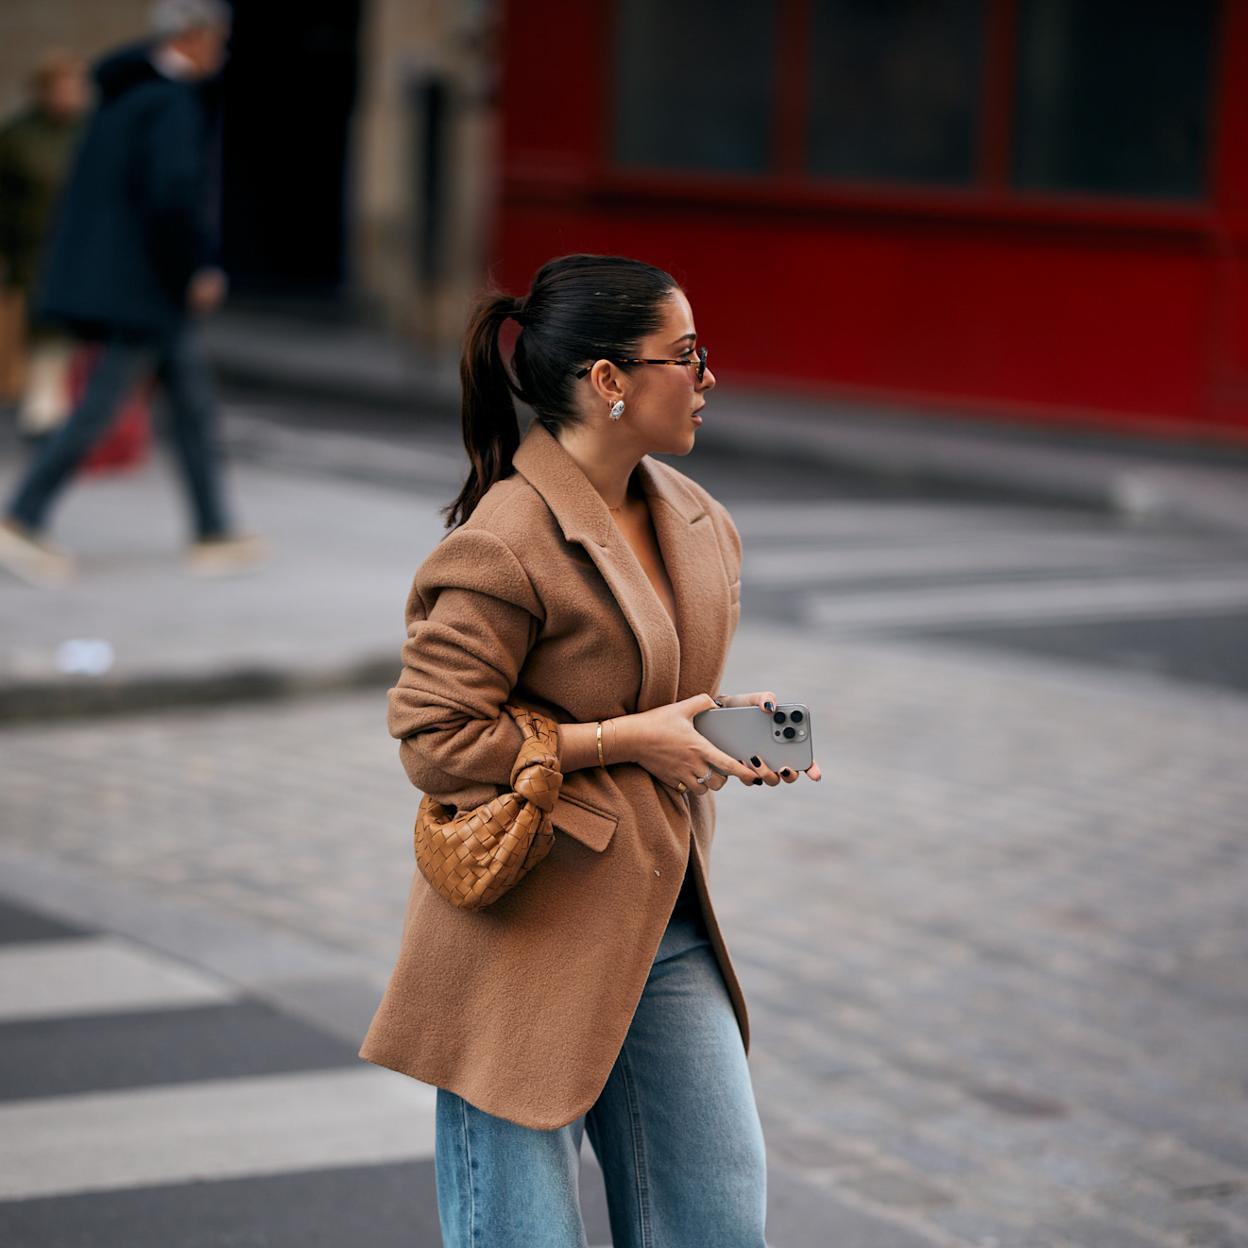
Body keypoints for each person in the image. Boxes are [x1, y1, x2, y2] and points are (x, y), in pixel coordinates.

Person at [359, 253, 823, 1247]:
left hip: (666, 917)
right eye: (686, 356)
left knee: (715, 1220)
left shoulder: (702, 522)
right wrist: (625, 741)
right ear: (609, 382)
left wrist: (729, 725)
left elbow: (656, 700)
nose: (708, 379)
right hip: (527, 926)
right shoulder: (505, 540)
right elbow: (434, 738)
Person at [0, 0, 265, 587]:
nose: (221, 53)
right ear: (193, 37)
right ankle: (20, 517)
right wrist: (194, 268)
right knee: (99, 406)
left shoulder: (125, 94)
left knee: (192, 406)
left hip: (129, 284)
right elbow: (171, 198)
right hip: (143, 288)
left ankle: (213, 530)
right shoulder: (171, 102)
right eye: (218, 39)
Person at [0, 50, 89, 436]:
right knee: (42, 333)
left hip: (84, 251)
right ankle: (45, 415)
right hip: (31, 249)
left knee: (77, 336)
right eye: (61, 88)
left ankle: (63, 413)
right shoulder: (18, 137)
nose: (68, 96)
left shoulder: (92, 131)